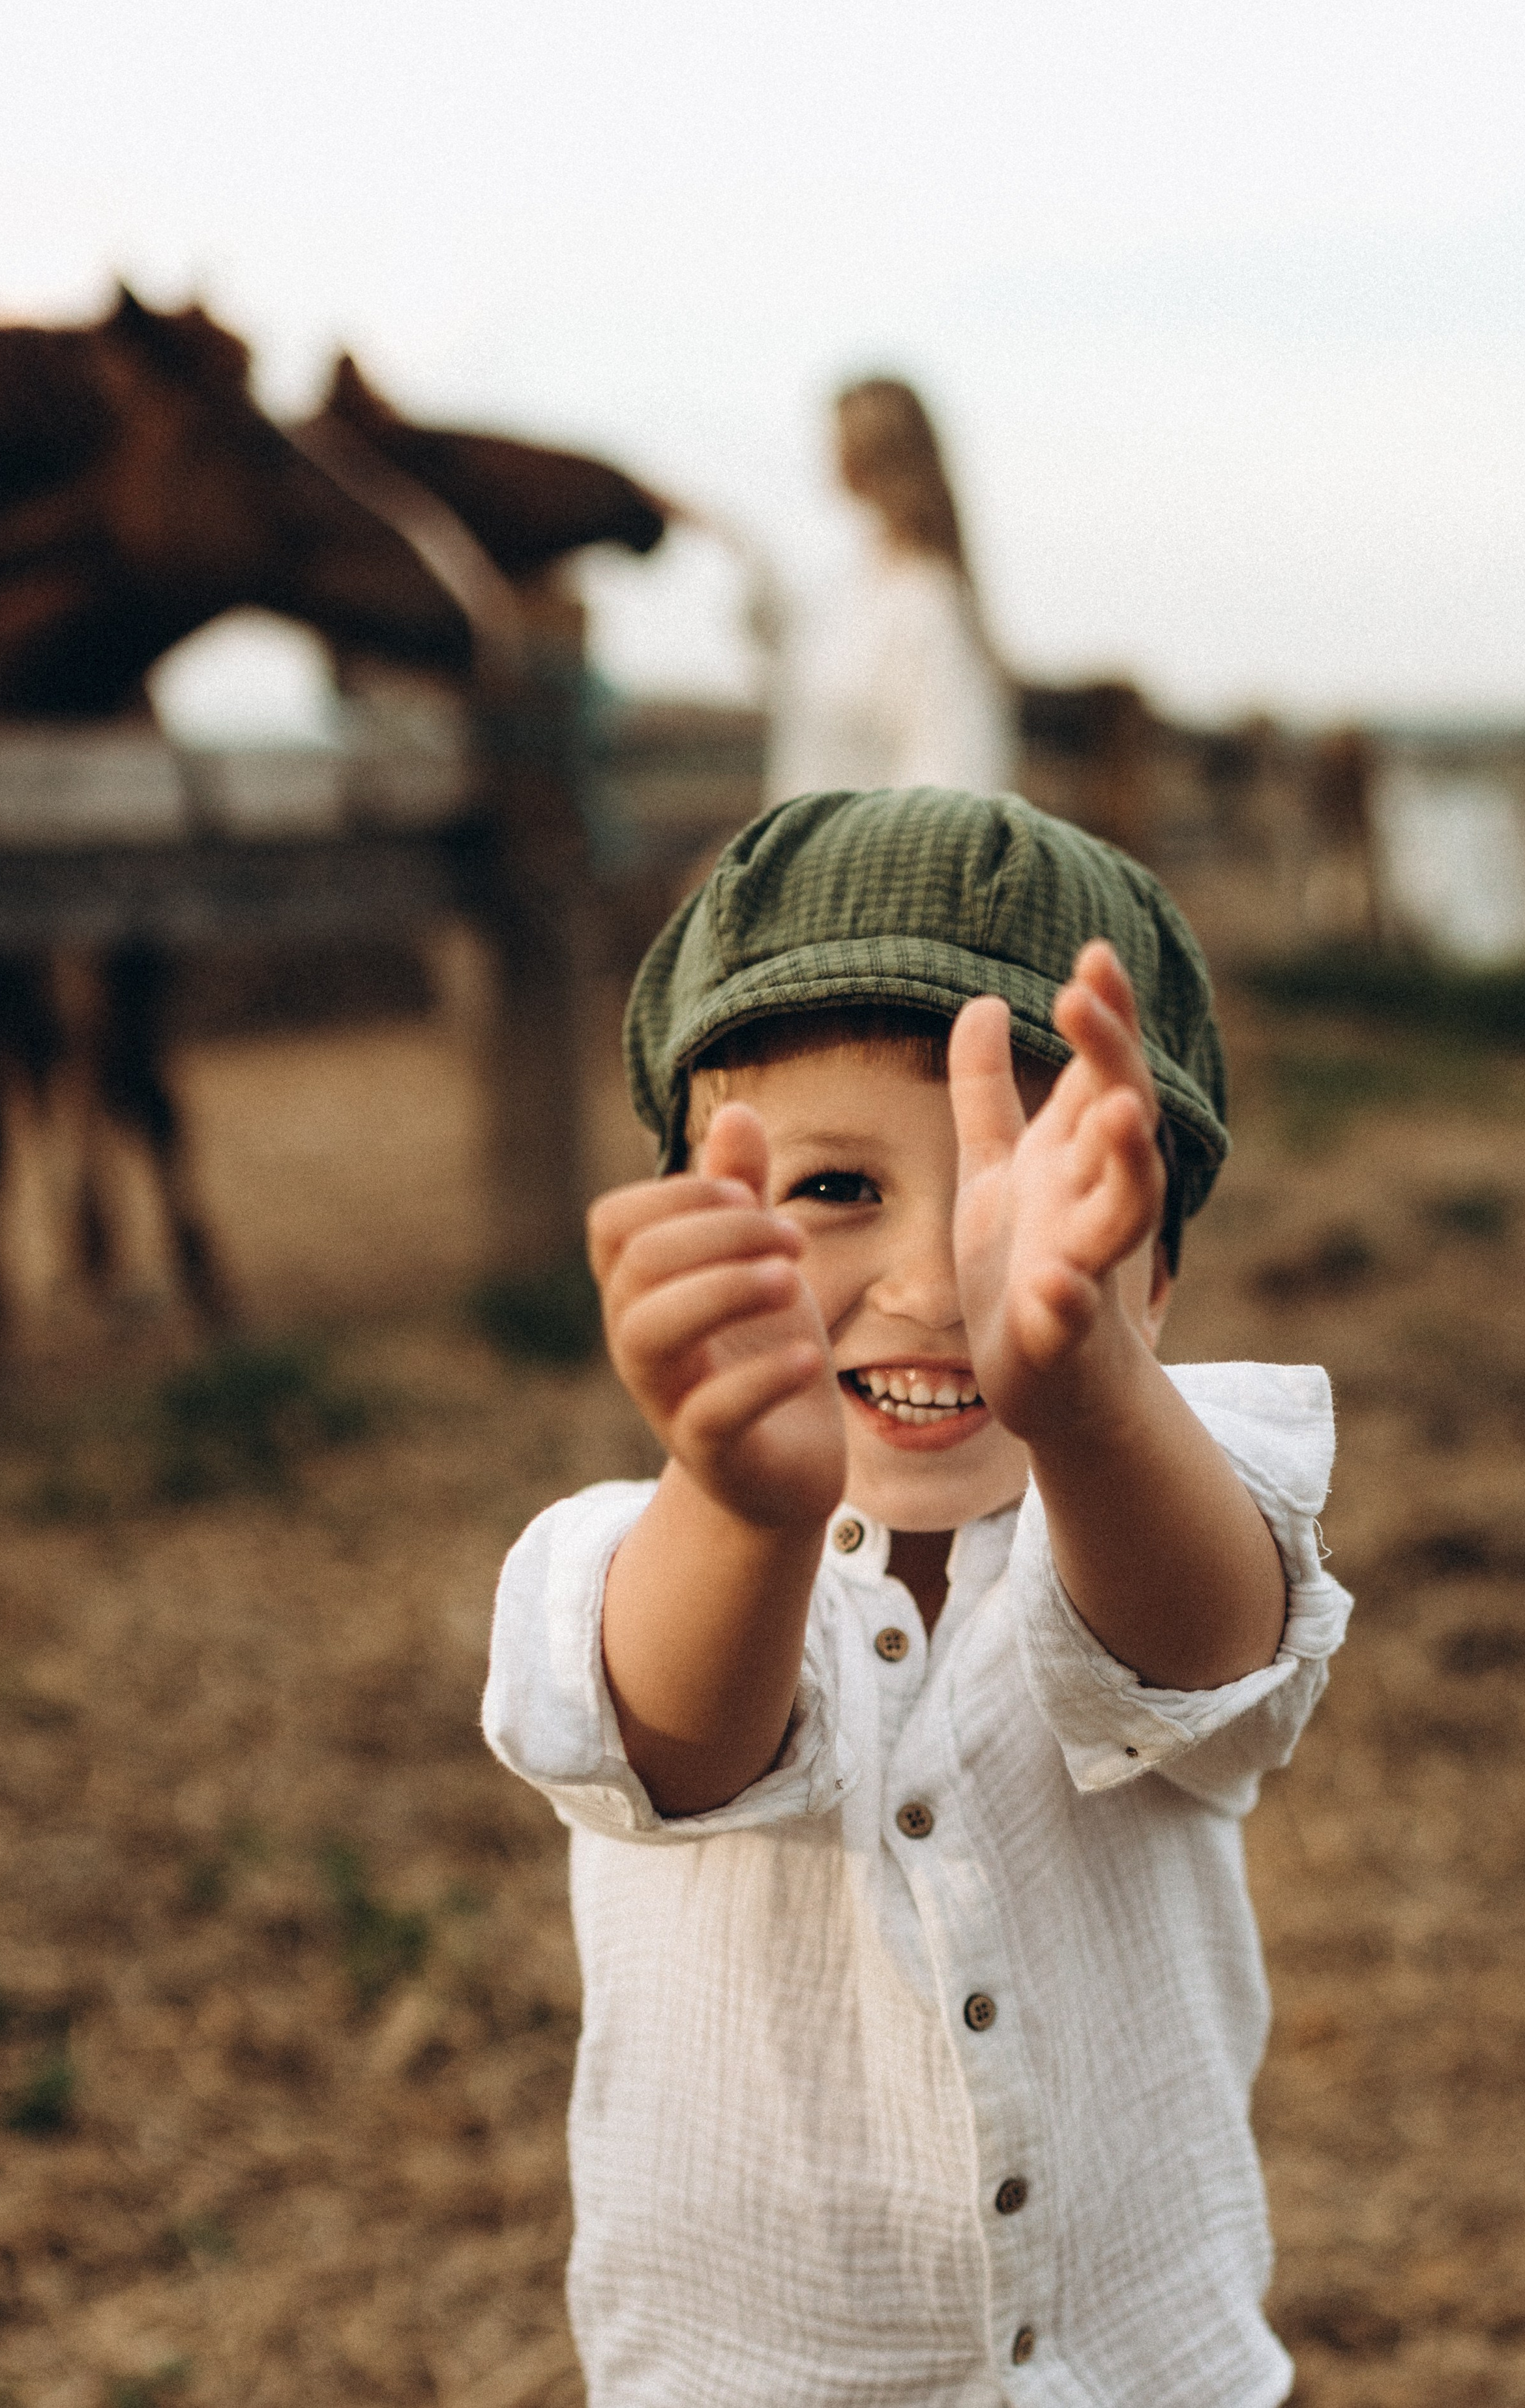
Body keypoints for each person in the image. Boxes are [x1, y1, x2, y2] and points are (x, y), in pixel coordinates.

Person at [483, 786, 1349, 2407]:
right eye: (831, 1188)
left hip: (1147, 2370)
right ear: (696, 1231)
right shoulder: (622, 1556)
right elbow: (680, 1747)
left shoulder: (1178, 1498)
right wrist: (743, 1507)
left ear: (1151, 1275)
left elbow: (1199, 1653)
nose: (933, 1276)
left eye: (1014, 1194)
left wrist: (1083, 1391)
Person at [765, 379, 1020, 804]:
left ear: (864, 457)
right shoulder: (849, 587)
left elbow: (953, 777)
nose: (827, 456)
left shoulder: (924, 603)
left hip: (867, 862)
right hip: (811, 857)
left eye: (836, 442)